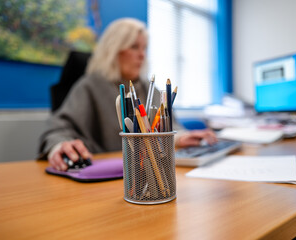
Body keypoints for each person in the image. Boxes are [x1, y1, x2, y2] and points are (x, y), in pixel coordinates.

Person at [38, 18, 217, 171]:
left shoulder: (148, 86)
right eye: (134, 47)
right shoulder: (91, 85)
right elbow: (56, 129)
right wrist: (59, 146)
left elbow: (167, 126)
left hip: (152, 171)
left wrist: (180, 138)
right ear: (114, 50)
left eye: (144, 48)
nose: (142, 55)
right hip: (109, 174)